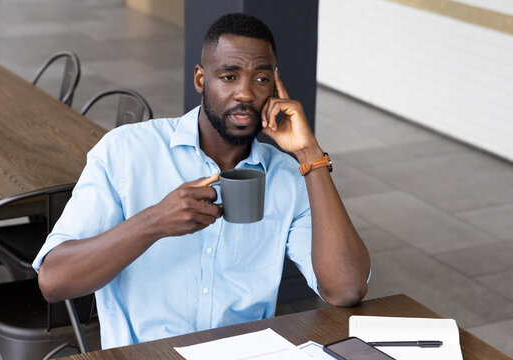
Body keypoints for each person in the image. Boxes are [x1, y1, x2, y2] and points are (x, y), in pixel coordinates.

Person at [33, 13, 370, 349]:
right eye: (229, 76)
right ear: (200, 79)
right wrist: (153, 222)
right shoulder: (126, 152)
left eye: (261, 79)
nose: (246, 94)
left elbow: (345, 289)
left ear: (276, 85)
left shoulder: (286, 176)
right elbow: (54, 281)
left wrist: (310, 154)